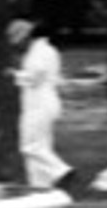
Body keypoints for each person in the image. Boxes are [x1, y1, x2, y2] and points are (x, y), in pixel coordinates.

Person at [10, 17, 81, 194]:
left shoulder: (39, 52)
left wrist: (15, 75)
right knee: (39, 149)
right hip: (45, 102)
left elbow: (35, 77)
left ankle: (61, 171)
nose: (17, 46)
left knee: (29, 147)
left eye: (18, 41)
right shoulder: (48, 50)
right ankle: (40, 189)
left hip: (38, 104)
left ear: (26, 37)